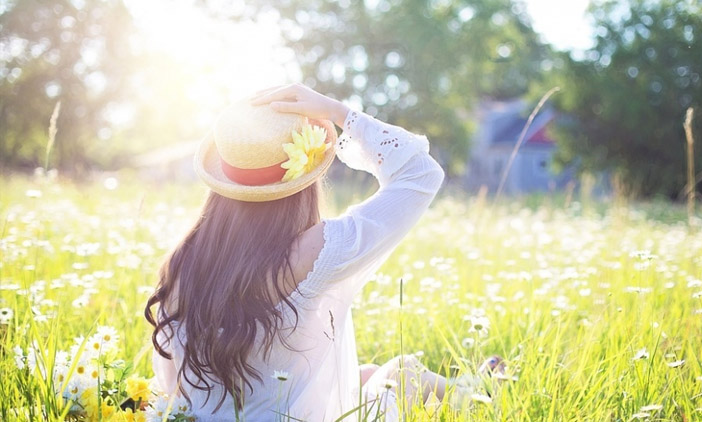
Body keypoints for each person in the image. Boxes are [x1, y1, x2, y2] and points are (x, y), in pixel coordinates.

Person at [144, 84, 495, 421]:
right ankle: (480, 393)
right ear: (304, 178)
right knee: (403, 372)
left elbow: (173, 385)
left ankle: (473, 387)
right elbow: (421, 173)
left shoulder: (183, 259)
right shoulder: (312, 251)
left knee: (367, 374)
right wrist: (339, 112)